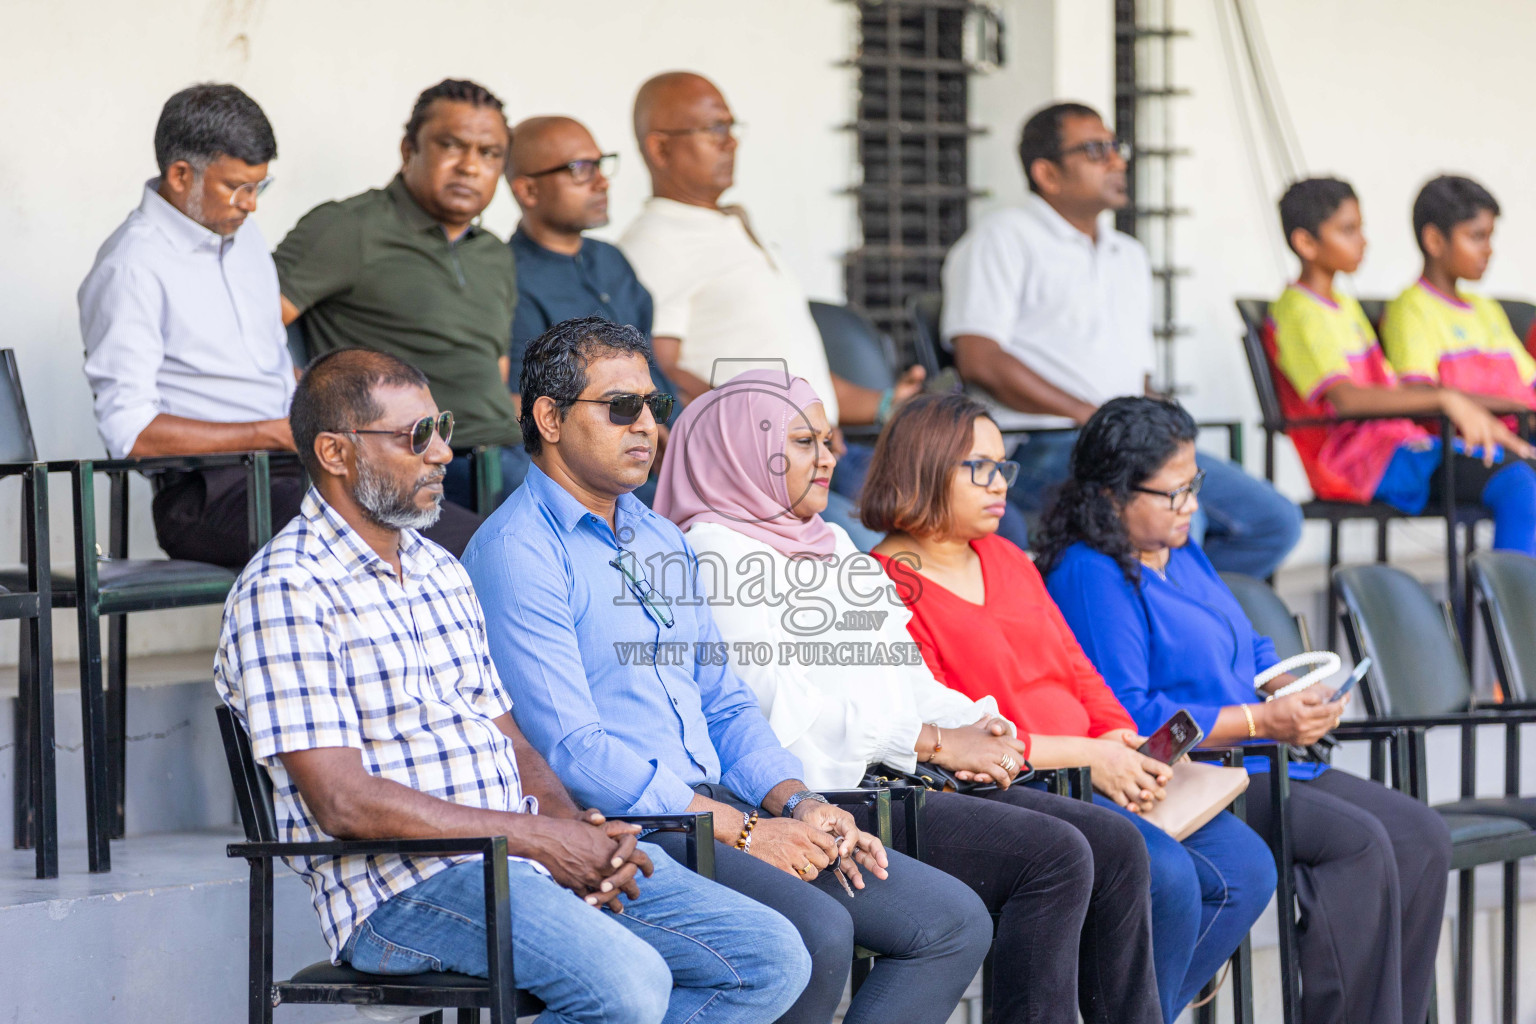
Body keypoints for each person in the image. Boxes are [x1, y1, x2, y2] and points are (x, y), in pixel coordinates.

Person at [214, 346, 811, 1024]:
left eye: (441, 427)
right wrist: (534, 840)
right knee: (629, 985)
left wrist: (569, 826)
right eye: (417, 436)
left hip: (517, 861)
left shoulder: (438, 570)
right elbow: (343, 802)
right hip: (402, 886)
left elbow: (509, 737)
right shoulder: (286, 589)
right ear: (335, 452)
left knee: (769, 958)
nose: (443, 452)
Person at [460, 317, 993, 1024]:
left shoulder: (658, 538)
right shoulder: (518, 550)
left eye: (656, 406)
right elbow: (574, 752)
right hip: (632, 827)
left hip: (716, 808)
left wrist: (799, 803)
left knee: (950, 922)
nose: (646, 425)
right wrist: (739, 832)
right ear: (550, 418)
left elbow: (725, 701)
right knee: (817, 932)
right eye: (621, 408)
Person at [651, 370, 1163, 1024]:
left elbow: (903, 675)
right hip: (825, 794)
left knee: (1116, 844)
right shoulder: (716, 553)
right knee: (1056, 857)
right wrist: (934, 741)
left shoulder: (832, 544)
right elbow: (784, 715)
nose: (831, 457)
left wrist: (981, 724)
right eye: (805, 442)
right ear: (740, 453)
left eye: (830, 441)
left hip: (900, 778)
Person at [1036, 395, 1454, 1024]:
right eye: (1173, 493)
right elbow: (1137, 715)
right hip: (1199, 771)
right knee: (1360, 846)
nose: (1193, 506)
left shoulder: (1180, 551)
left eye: (1194, 485)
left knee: (1423, 833)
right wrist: (1263, 721)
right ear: (1111, 495)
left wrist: (1287, 687)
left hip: (1263, 753)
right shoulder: (1091, 574)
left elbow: (1248, 641)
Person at [863, 393, 1275, 1024]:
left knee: (1244, 865)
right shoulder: (887, 581)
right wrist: (1094, 756)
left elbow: (1077, 665)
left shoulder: (1002, 554)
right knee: (1163, 875)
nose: (1000, 484)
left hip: (1097, 767)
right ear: (924, 467)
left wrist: (1118, 737)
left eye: (1004, 467)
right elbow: (955, 729)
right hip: (1018, 783)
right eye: (980, 467)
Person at [940, 101, 1301, 575]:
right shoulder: (1003, 238)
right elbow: (979, 359)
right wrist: (1089, 416)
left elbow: (1138, 375)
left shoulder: (1128, 254)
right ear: (1047, 173)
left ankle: (1179, 618)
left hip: (1130, 442)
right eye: (1095, 150)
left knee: (1273, 521)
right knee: (1180, 515)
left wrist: (1162, 425)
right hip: (1047, 443)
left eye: (1116, 146)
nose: (1117, 160)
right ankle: (1151, 619)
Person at [618, 71, 924, 525]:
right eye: (713, 129)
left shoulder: (729, 227)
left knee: (952, 510)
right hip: (762, 469)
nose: (731, 143)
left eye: (731, 127)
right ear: (660, 148)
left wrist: (886, 405)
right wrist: (771, 430)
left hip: (826, 449)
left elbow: (797, 372)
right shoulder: (656, 244)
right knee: (876, 552)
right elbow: (660, 372)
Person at [274, 79, 524, 514]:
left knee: (639, 515)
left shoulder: (494, 254)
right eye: (452, 145)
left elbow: (495, 373)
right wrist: (311, 406)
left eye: (489, 154)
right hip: (422, 459)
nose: (470, 166)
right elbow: (246, 327)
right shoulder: (349, 228)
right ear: (409, 149)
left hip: (506, 453)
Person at [79, 83, 298, 567]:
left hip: (291, 469)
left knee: (445, 537)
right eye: (238, 187)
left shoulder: (245, 238)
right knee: (363, 541)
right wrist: (272, 432)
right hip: (207, 493)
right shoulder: (132, 265)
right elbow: (131, 432)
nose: (252, 204)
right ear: (181, 175)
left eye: (259, 186)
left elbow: (268, 368)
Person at [1266, 177, 1536, 553]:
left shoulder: (1343, 306)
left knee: (1521, 473)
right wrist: (1446, 400)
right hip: (1359, 461)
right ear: (1306, 243)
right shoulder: (1299, 311)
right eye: (1348, 230)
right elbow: (1347, 400)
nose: (1364, 241)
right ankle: (1516, 608)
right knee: (1519, 484)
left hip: (1399, 444)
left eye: (1360, 228)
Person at [505, 114, 676, 504]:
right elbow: (520, 405)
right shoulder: (508, 277)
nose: (602, 182)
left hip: (669, 449)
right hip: (599, 473)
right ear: (528, 190)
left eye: (600, 165)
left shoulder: (611, 259)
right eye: (580, 169)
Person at [1380, 176, 1536, 410]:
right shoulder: (1410, 309)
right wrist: (1515, 409)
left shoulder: (1486, 307)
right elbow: (1420, 396)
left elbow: (1529, 381)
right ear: (1434, 240)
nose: (1488, 249)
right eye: (1476, 237)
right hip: (1475, 442)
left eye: (1490, 236)